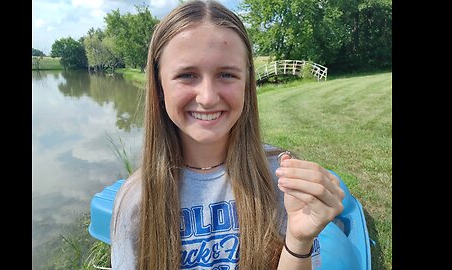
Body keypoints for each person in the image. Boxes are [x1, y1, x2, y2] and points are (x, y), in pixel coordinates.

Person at [111, 0, 345, 269]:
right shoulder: (136, 200)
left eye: (226, 74)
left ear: (247, 82)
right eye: (187, 75)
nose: (208, 98)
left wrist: (299, 239)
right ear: (160, 87)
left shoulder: (280, 179)